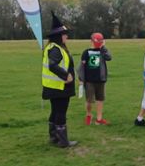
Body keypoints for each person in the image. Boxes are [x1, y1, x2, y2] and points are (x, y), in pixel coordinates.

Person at [42, 12, 77, 148]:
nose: (66, 36)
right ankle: (63, 141)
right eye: (64, 34)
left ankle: (54, 137)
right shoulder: (56, 49)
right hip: (59, 87)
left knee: (55, 111)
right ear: (59, 36)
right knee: (60, 112)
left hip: (53, 86)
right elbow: (52, 65)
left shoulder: (52, 47)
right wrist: (66, 75)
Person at [78, 32, 112, 125]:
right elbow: (81, 66)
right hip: (89, 81)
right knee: (89, 100)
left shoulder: (102, 51)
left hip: (101, 79)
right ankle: (89, 114)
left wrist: (103, 48)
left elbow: (109, 57)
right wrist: (81, 79)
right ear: (91, 41)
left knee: (100, 99)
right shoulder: (86, 52)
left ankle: (99, 119)